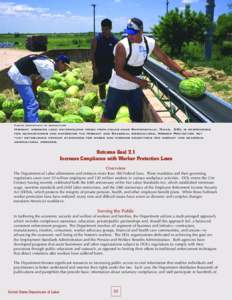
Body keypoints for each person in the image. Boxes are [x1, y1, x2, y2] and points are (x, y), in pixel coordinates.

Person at [101, 18, 192, 123]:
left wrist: (181, 71)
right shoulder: (122, 46)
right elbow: (119, 70)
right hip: (118, 86)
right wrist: (139, 81)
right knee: (107, 116)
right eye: (128, 33)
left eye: (133, 33)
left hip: (134, 87)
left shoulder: (150, 43)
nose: (130, 36)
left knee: (136, 118)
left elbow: (165, 58)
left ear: (141, 31)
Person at [8, 54, 70, 123]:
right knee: (32, 104)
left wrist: (34, 92)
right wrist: (35, 95)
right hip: (19, 75)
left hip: (17, 70)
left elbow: (34, 76)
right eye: (65, 66)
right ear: (60, 62)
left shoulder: (48, 61)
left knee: (29, 102)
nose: (65, 69)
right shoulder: (50, 69)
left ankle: (27, 123)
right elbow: (35, 83)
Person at [91, 18, 118, 101]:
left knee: (113, 84)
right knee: (101, 84)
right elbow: (92, 54)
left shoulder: (115, 40)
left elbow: (117, 55)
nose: (104, 31)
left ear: (110, 28)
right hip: (100, 66)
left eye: (106, 29)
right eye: (102, 29)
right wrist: (94, 67)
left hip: (111, 66)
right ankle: (103, 100)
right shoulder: (96, 39)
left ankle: (112, 100)